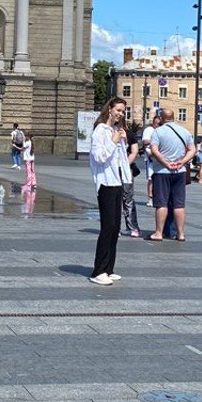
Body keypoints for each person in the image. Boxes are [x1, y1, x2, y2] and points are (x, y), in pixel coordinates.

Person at [88, 97, 130, 286]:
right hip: (105, 183)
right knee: (107, 227)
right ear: (110, 109)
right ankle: (98, 270)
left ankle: (108, 268)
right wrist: (114, 141)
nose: (121, 114)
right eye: (118, 110)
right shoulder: (100, 130)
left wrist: (123, 142)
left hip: (117, 181)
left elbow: (120, 160)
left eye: (123, 111)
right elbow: (99, 157)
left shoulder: (115, 131)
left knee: (115, 228)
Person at [147, 108, 195, 242]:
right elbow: (192, 150)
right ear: (173, 117)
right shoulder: (184, 131)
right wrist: (182, 162)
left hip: (162, 172)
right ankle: (180, 234)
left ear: (161, 118)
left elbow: (154, 150)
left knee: (161, 203)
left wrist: (165, 162)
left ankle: (158, 233)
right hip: (179, 172)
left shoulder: (158, 131)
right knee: (179, 204)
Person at [120, 120, 143, 238]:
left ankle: (129, 227)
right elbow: (134, 152)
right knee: (128, 199)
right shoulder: (129, 134)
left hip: (123, 170)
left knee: (121, 199)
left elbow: (134, 151)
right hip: (126, 170)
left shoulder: (128, 134)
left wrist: (123, 165)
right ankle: (133, 228)